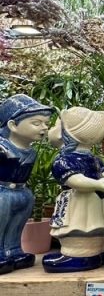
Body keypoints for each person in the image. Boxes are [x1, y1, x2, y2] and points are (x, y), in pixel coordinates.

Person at [43, 107, 104, 273]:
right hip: (96, 199)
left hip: (80, 202)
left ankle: (78, 255)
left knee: (79, 227)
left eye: (55, 125)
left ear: (66, 133)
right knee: (94, 224)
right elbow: (77, 180)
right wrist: (102, 184)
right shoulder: (93, 158)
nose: (50, 130)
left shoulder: (65, 159)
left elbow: (74, 180)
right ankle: (98, 252)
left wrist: (101, 184)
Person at [0, 94, 54, 273]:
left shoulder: (29, 151)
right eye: (36, 123)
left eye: (46, 123)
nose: (44, 128)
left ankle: (14, 250)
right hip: (2, 192)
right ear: (13, 125)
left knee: (17, 223)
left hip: (22, 191)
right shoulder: (2, 147)